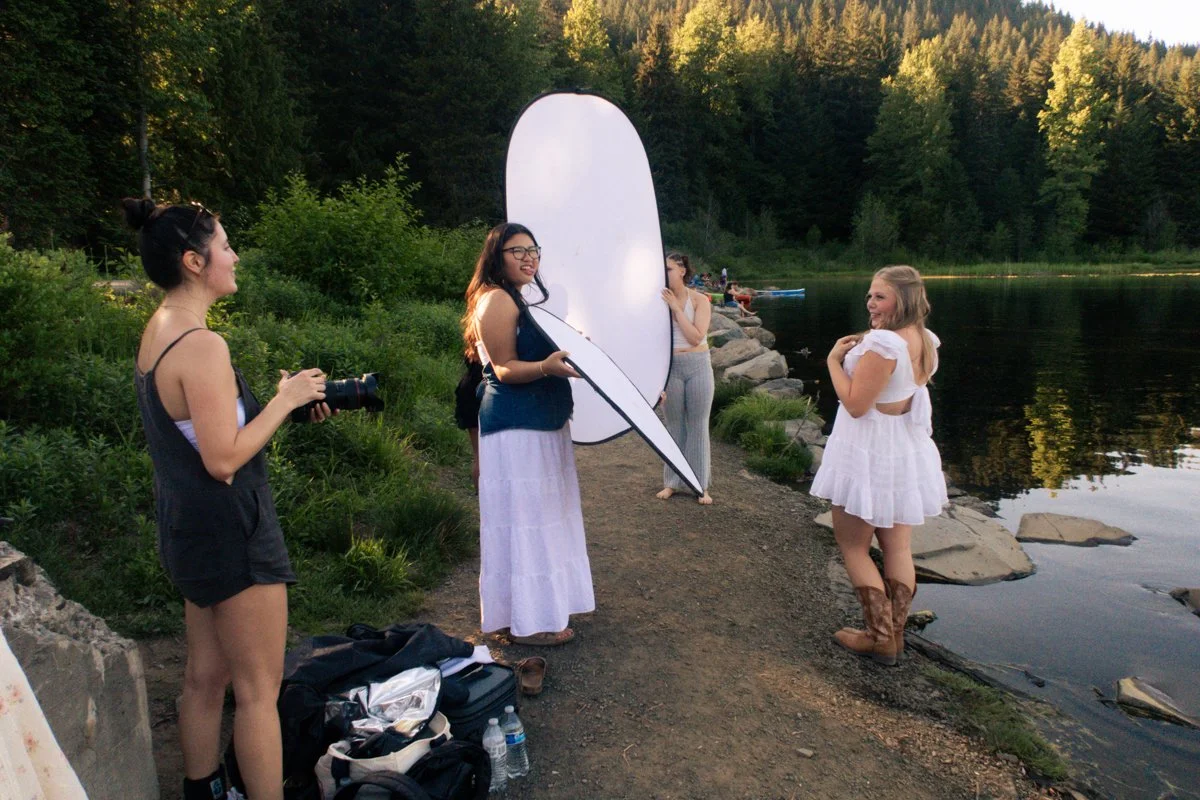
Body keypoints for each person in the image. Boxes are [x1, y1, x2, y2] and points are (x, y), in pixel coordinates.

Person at [125, 198, 333, 800]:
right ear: (195, 261)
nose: (235, 255)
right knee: (258, 691)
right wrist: (286, 400)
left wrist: (274, 405)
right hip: (233, 532)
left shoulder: (161, 328)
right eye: (224, 244)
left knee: (203, 677)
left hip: (187, 529)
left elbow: (204, 434)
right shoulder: (202, 345)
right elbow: (222, 460)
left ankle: (204, 789)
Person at [462, 222, 595, 647]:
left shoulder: (521, 297)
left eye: (532, 249)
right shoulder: (497, 300)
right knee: (526, 523)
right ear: (496, 257)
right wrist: (545, 367)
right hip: (517, 429)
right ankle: (529, 623)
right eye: (516, 251)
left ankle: (536, 610)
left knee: (543, 520)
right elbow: (502, 368)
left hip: (543, 423)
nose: (528, 257)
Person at [809, 265, 947, 666]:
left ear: (901, 300)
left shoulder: (884, 344)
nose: (870, 303)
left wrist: (834, 361)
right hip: (903, 447)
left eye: (880, 296)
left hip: (868, 449)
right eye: (870, 295)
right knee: (897, 546)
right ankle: (896, 634)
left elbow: (854, 406)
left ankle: (879, 638)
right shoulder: (924, 339)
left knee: (853, 546)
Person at [657, 253, 714, 504]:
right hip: (671, 366)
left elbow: (695, 336)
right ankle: (672, 482)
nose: (664, 273)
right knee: (674, 425)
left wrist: (677, 309)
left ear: (681, 270)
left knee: (698, 425)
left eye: (668, 268)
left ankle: (700, 485)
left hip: (698, 364)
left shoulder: (700, 300)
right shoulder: (656, 302)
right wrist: (655, 382)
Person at [453, 356, 485, 489]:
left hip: (468, 389)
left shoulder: (473, 337)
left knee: (478, 454)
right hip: (483, 392)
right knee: (485, 456)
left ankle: (480, 501)